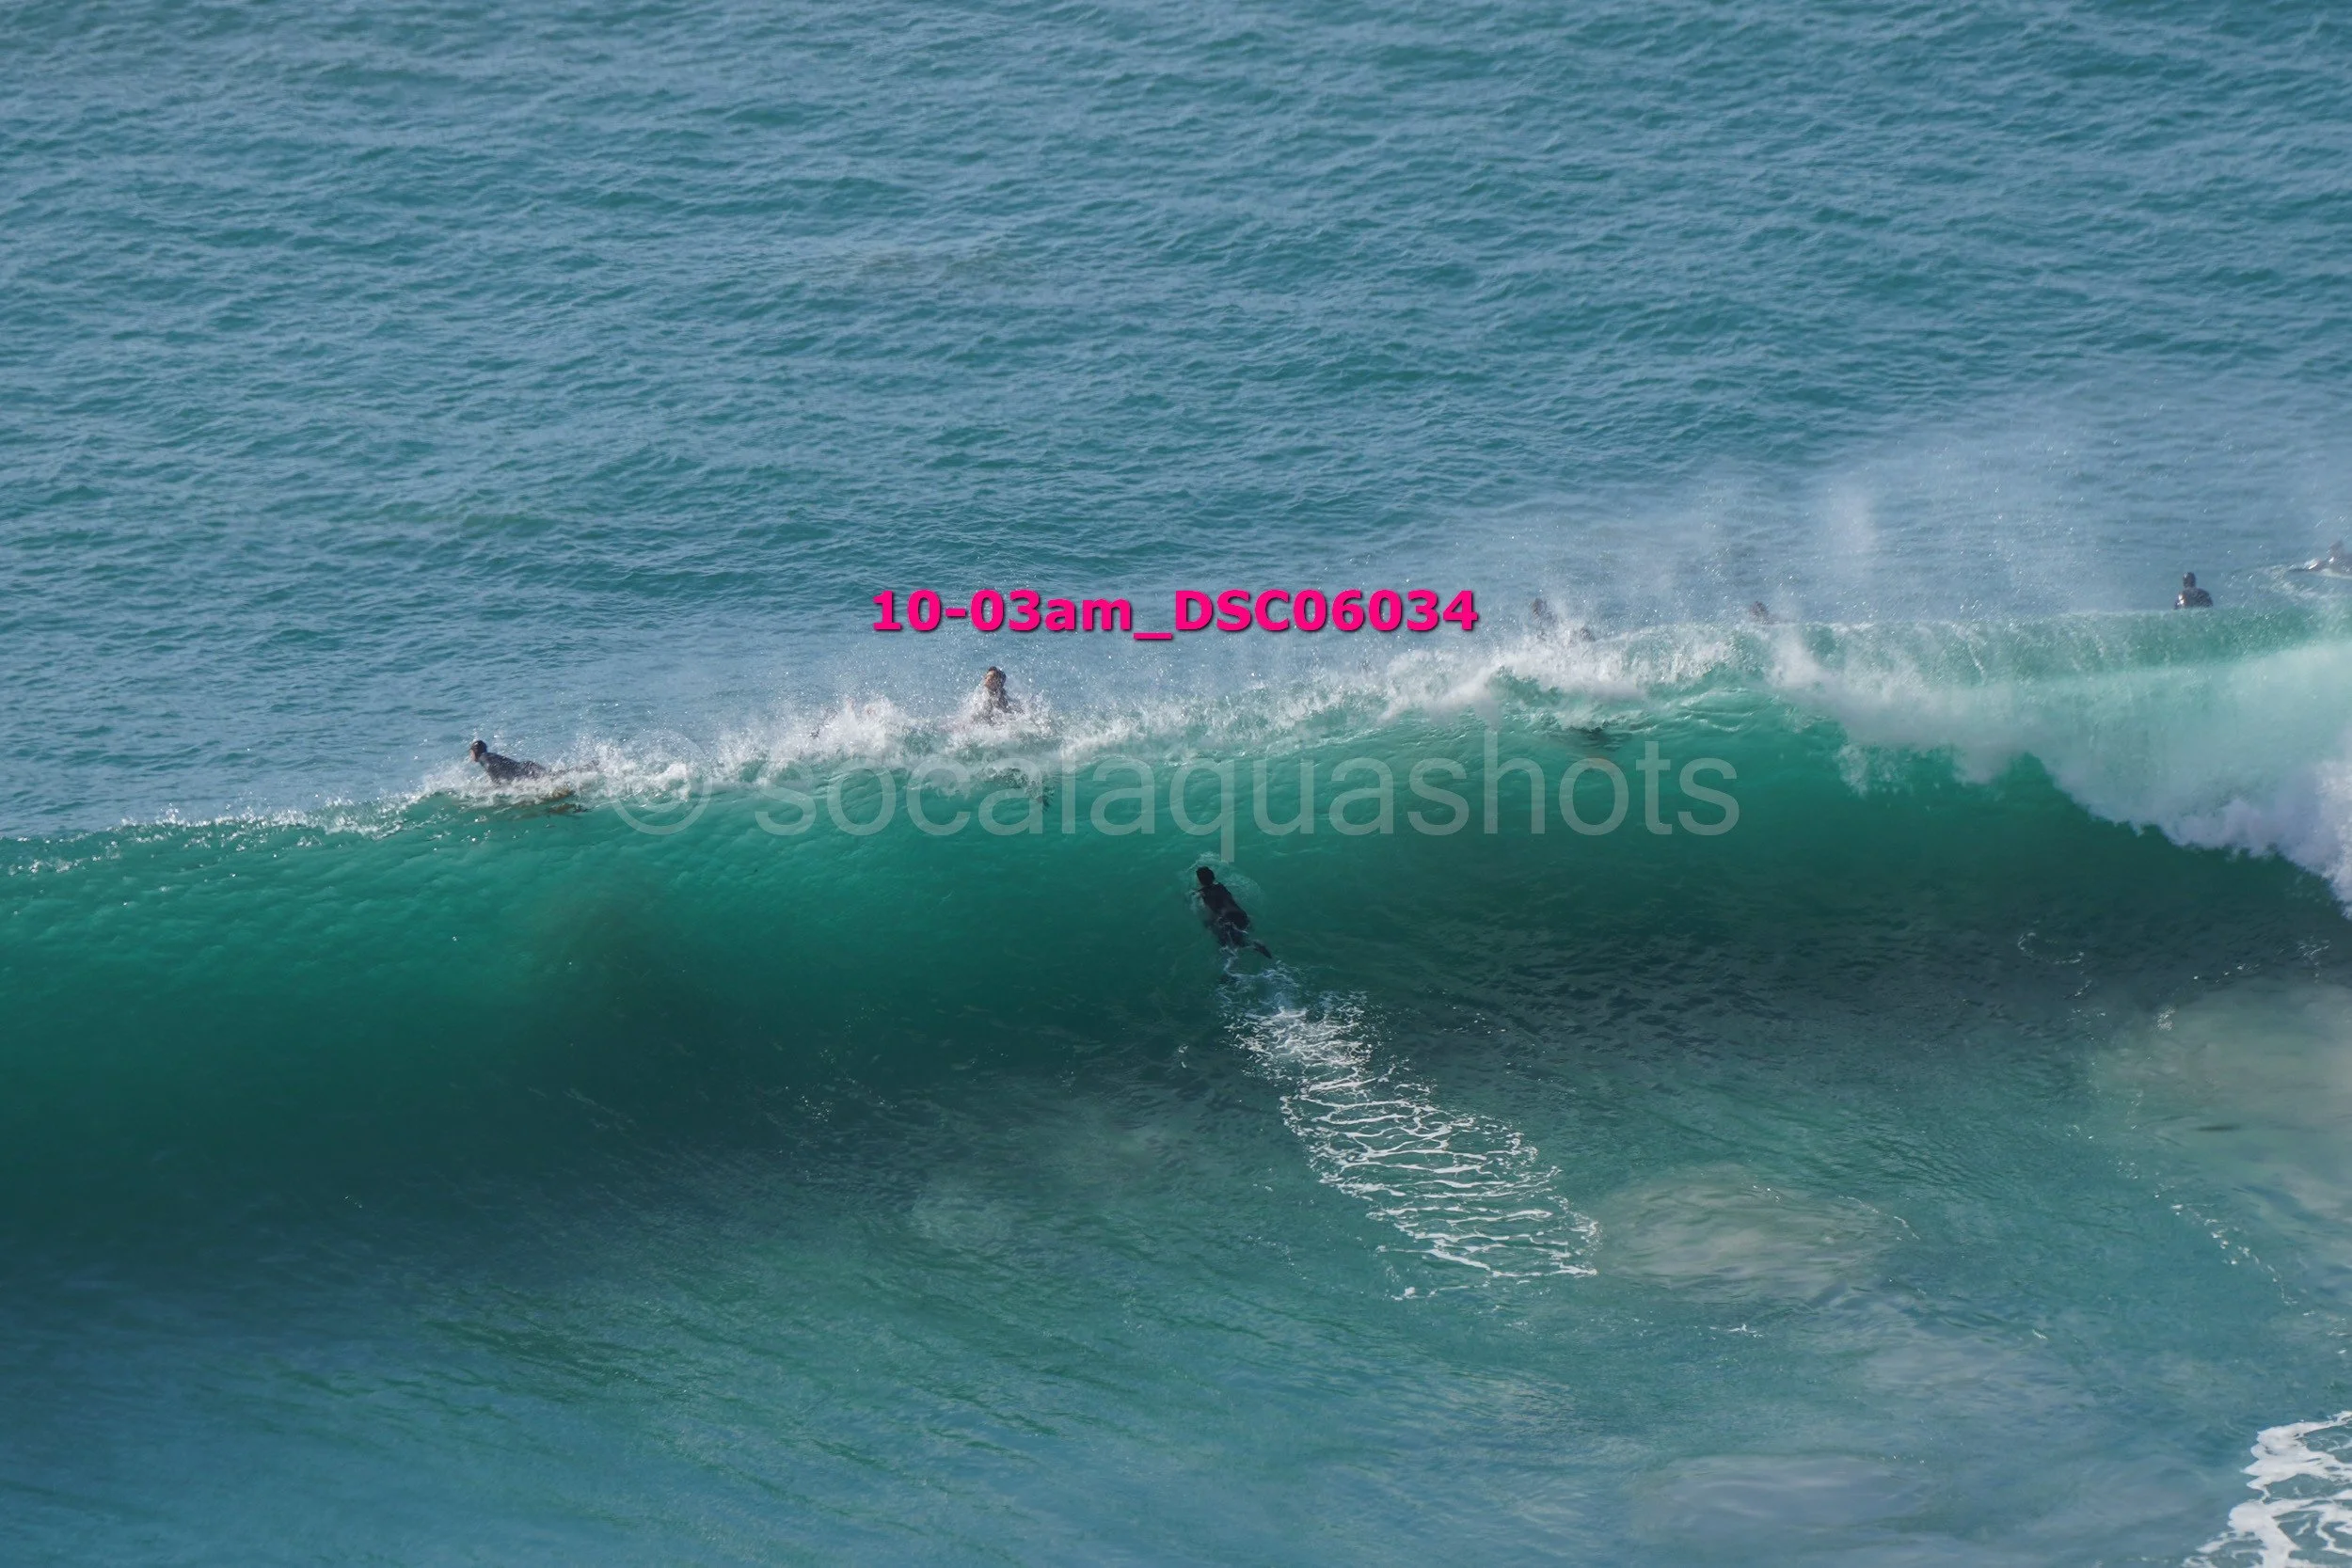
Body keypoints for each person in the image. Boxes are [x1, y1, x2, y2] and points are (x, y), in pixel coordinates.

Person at [1194, 865, 1271, 958]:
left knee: (1231, 947)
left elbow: (1212, 914)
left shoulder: (1204, 894)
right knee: (1245, 933)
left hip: (1228, 921)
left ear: (1200, 881)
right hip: (1241, 915)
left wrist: (1209, 924)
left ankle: (1254, 947)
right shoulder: (1220, 886)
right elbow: (1233, 900)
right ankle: (1256, 943)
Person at [469, 739, 547, 784]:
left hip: (525, 769)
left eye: (470, 752)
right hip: (528, 766)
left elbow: (490, 766)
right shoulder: (489, 755)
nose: (470, 756)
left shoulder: (483, 758)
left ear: (474, 752)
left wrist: (496, 784)